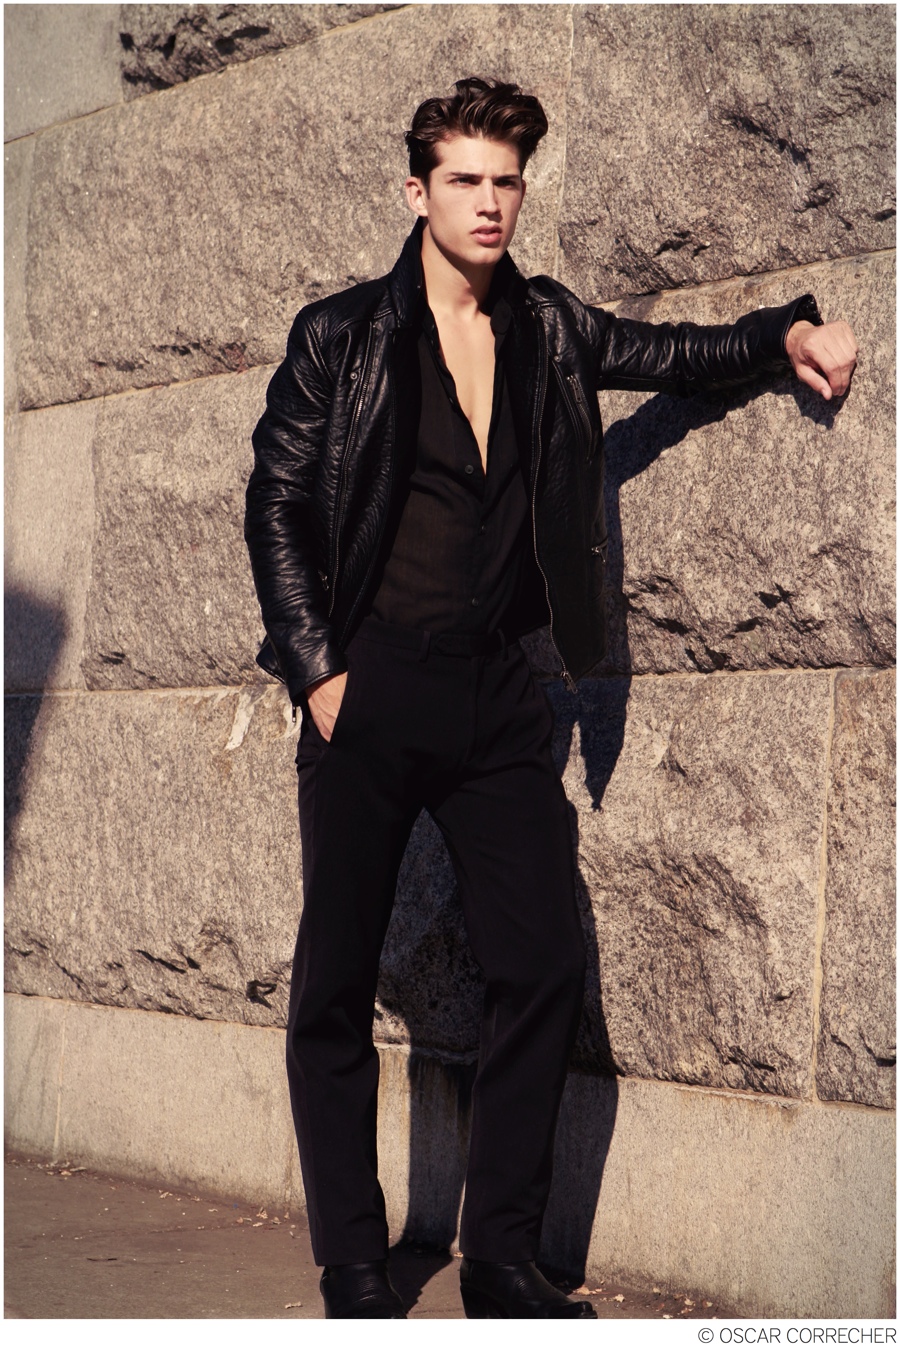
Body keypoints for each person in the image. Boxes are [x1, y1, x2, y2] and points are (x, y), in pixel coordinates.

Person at [244, 77, 858, 1320]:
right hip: (369, 685)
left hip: (497, 694)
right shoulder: (342, 336)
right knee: (335, 981)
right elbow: (277, 504)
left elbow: (668, 354)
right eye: (464, 179)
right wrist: (318, 671)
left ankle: (502, 1258)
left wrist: (782, 334)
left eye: (506, 180)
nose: (488, 202)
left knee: (542, 963)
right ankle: (354, 1260)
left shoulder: (549, 328)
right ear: (417, 192)